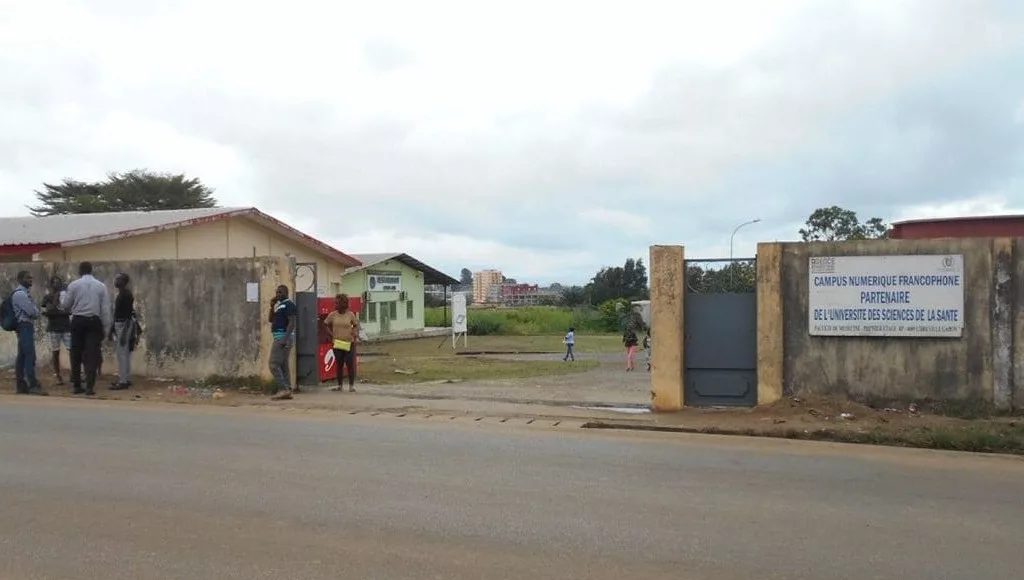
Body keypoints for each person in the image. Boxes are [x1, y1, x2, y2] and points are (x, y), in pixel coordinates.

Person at [63, 262, 111, 396]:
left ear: (80, 271)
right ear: (91, 270)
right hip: (93, 321)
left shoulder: (74, 285)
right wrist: (106, 327)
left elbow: (66, 305)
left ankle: (77, 385)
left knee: (76, 353)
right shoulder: (101, 286)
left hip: (78, 320)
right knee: (92, 354)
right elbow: (105, 309)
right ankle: (90, 386)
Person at [11, 271, 47, 395]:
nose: (31, 280)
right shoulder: (20, 294)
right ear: (20, 279)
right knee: (29, 355)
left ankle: (20, 385)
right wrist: (36, 311)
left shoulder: (24, 293)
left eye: (31, 277)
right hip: (25, 325)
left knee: (22, 357)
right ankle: (32, 385)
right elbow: (32, 312)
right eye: (28, 278)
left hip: (25, 326)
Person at [324, 293, 360, 392]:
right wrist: (331, 334)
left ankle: (351, 386)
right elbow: (325, 324)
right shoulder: (332, 315)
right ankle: (340, 385)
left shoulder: (350, 314)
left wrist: (354, 331)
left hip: (349, 343)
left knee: (350, 364)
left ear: (343, 304)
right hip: (337, 343)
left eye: (337, 303)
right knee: (339, 364)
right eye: (335, 303)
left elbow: (356, 325)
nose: (335, 305)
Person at [40, 276, 71, 385]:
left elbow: (69, 311)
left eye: (59, 282)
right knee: (55, 352)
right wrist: (55, 301)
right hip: (53, 328)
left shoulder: (66, 297)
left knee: (72, 350)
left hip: (66, 327)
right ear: (51, 285)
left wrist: (55, 312)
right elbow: (46, 312)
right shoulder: (47, 297)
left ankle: (74, 374)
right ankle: (58, 375)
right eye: (54, 282)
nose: (57, 285)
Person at [268, 284, 297, 400]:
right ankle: (287, 389)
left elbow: (292, 322)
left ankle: (283, 389)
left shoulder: (289, 305)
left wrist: (285, 339)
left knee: (273, 364)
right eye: (277, 292)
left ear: (286, 293)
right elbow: (271, 319)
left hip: (283, 337)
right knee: (283, 365)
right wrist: (272, 306)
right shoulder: (279, 305)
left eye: (280, 292)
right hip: (279, 337)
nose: (278, 294)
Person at [108, 273, 136, 390]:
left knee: (122, 353)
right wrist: (112, 328)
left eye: (118, 278)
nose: (116, 280)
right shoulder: (121, 293)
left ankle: (123, 381)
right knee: (124, 353)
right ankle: (125, 378)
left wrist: (124, 331)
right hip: (120, 324)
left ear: (124, 281)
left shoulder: (126, 294)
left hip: (124, 325)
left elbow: (128, 315)